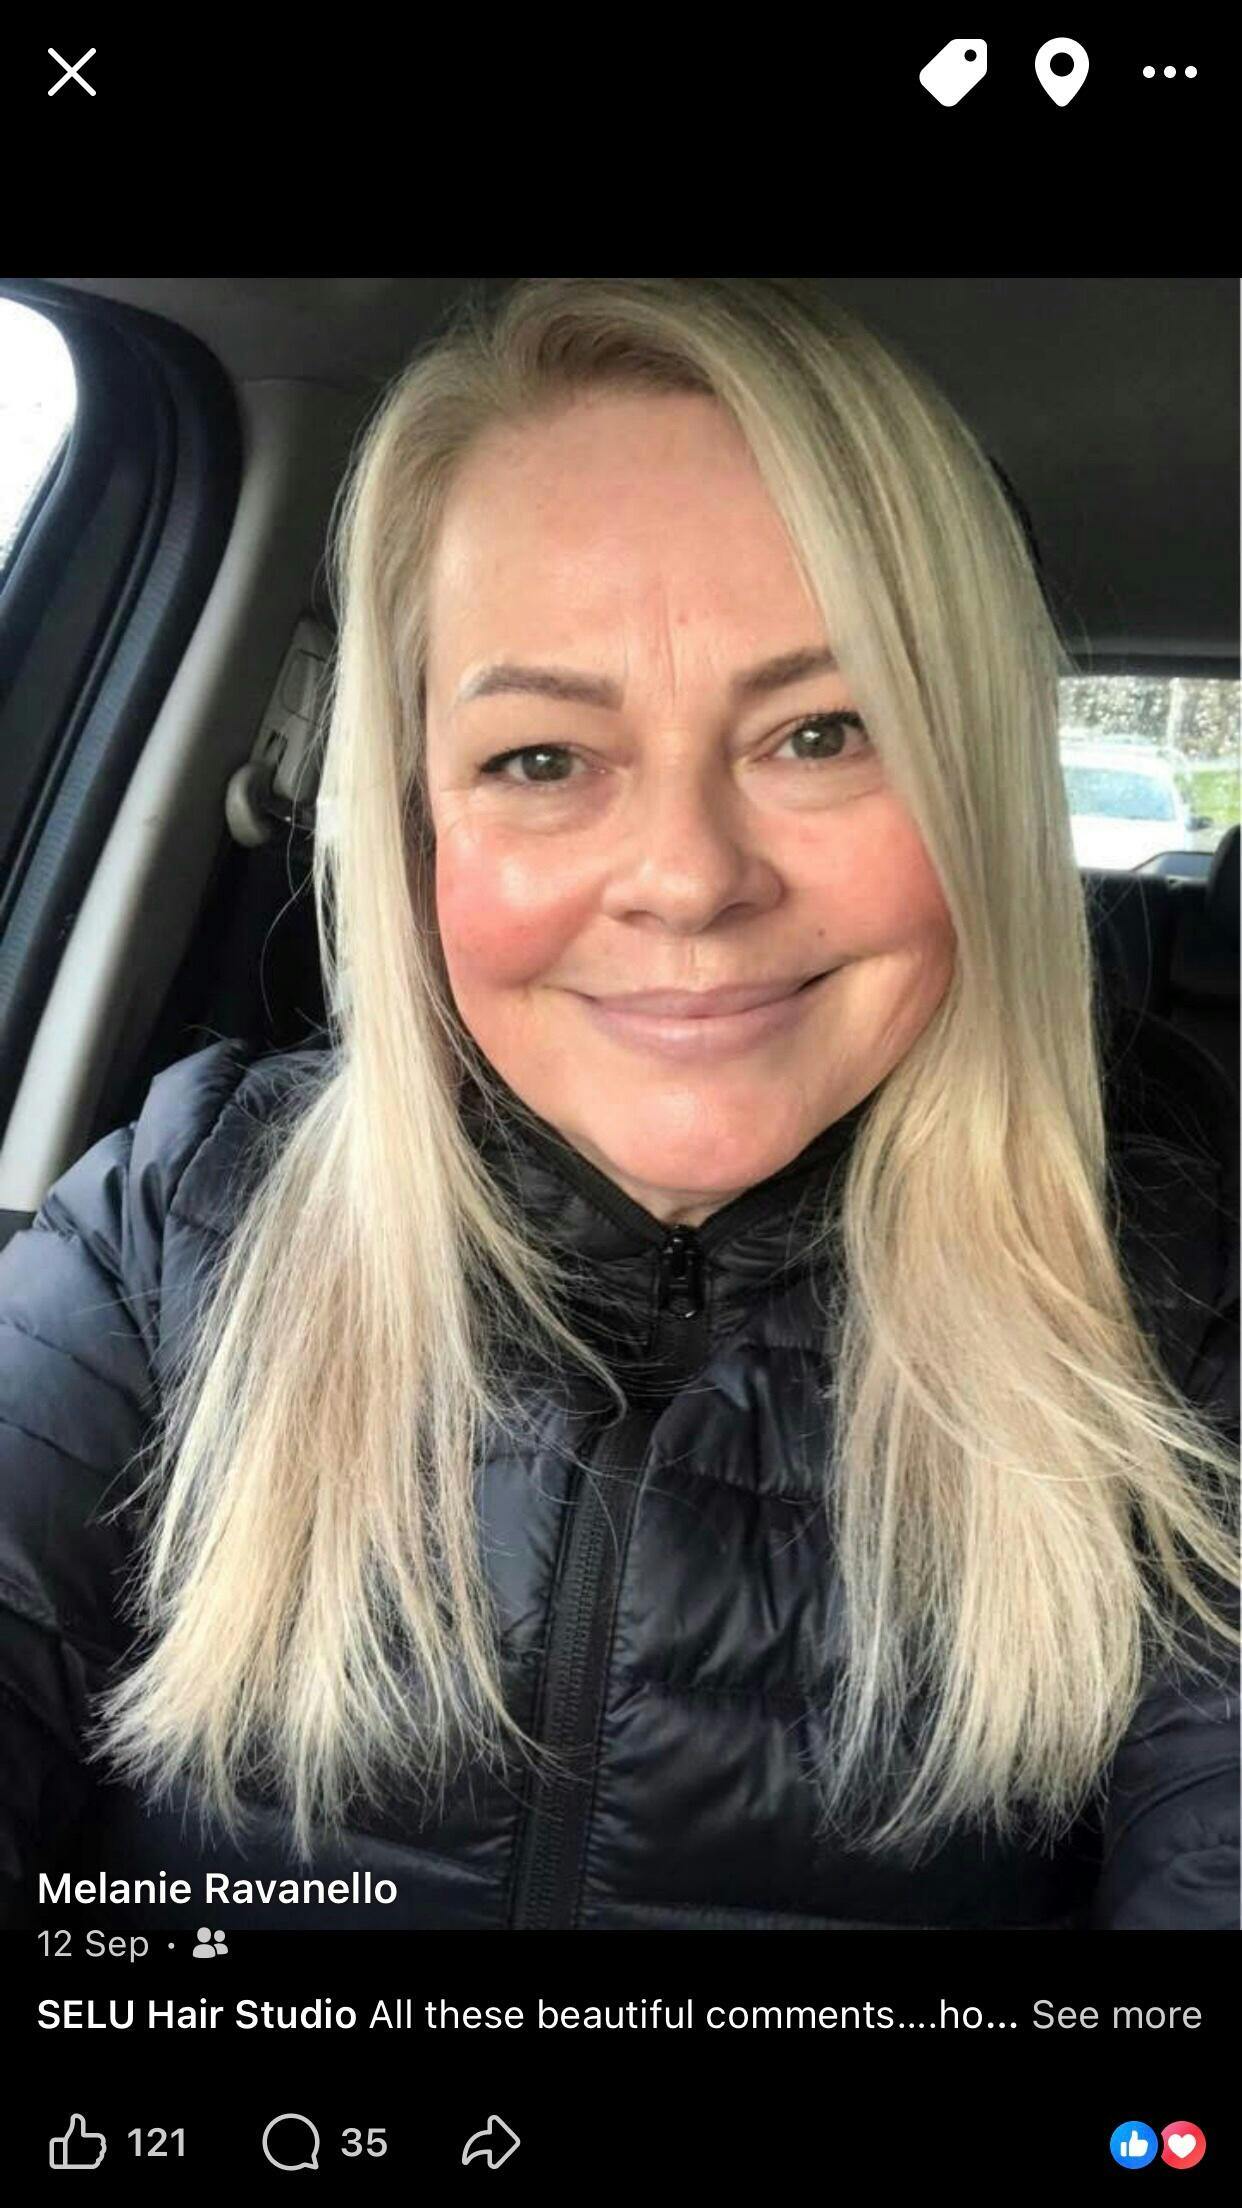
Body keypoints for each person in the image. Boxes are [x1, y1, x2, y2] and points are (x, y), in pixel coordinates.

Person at [0, 277, 1236, 1932]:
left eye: (822, 731)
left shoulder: (1177, 1321)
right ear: (415, 817)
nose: (688, 878)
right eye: (540, 759)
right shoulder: (170, 1222)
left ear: (978, 787)